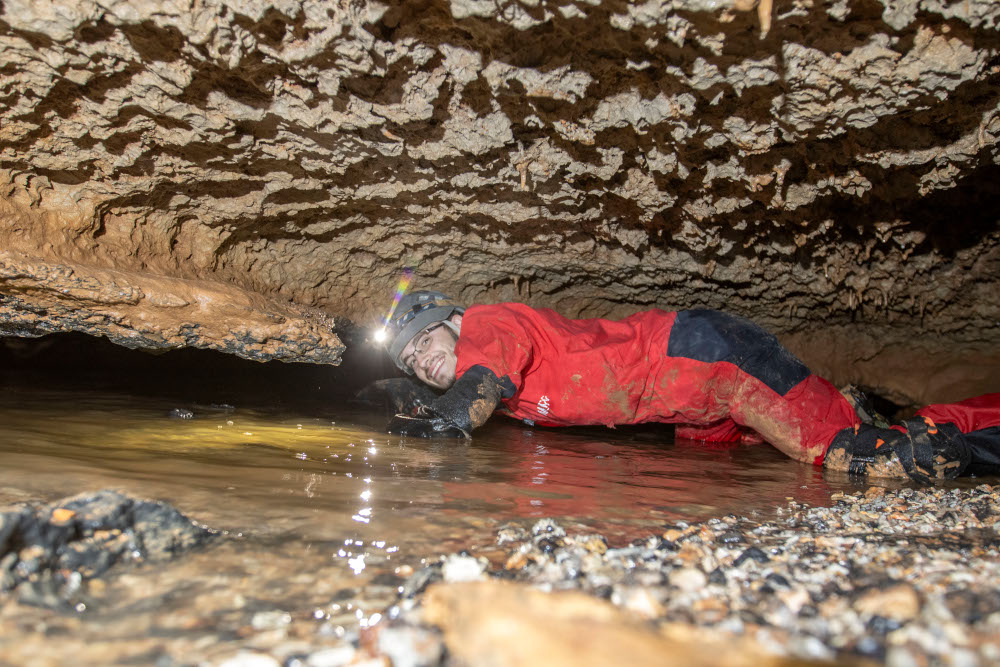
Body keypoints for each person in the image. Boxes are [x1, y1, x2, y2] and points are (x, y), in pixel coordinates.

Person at [380, 291, 1000, 484]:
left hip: (709, 358)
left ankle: (961, 429)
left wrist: (441, 425)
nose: (422, 362)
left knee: (853, 456)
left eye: (425, 342)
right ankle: (845, 406)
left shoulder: (488, 325)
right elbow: (462, 392)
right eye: (411, 361)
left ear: (454, 321)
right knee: (726, 465)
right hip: (694, 410)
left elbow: (474, 391)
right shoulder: (493, 382)